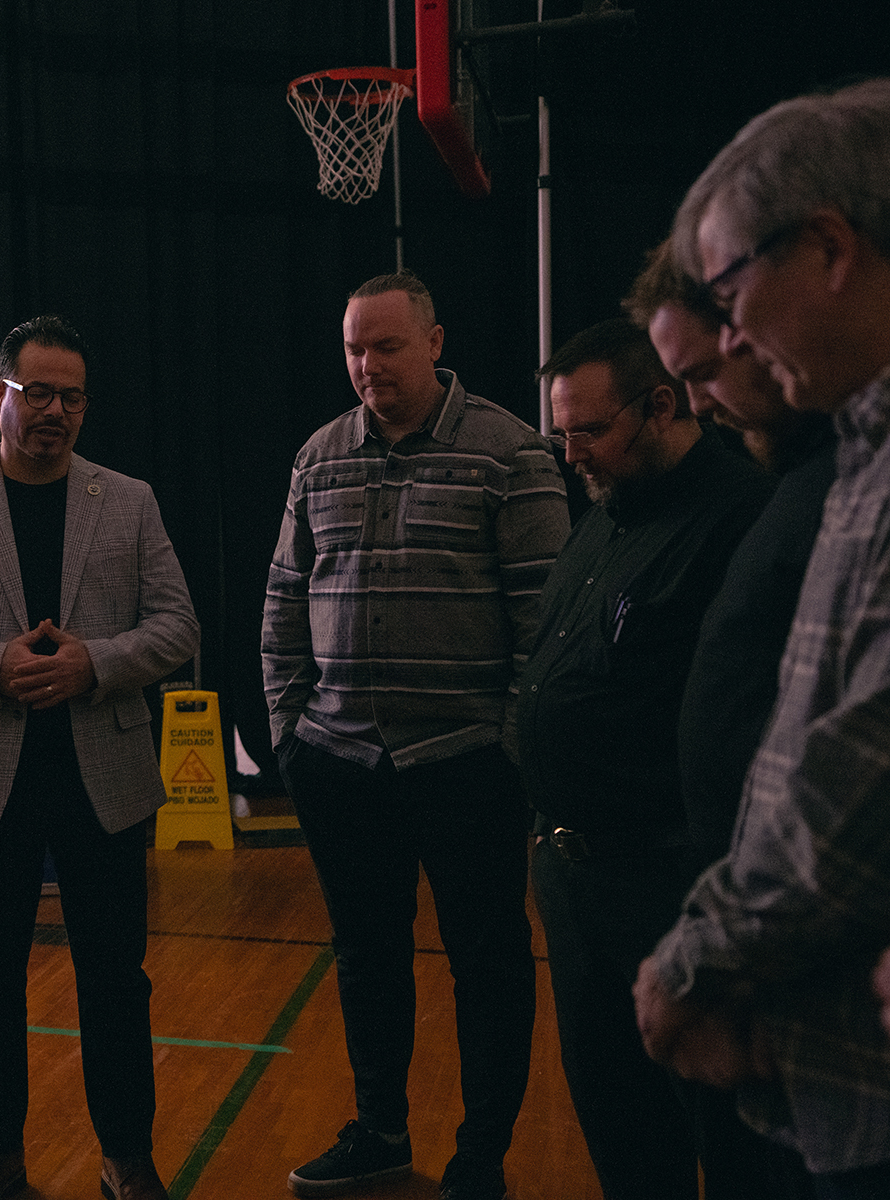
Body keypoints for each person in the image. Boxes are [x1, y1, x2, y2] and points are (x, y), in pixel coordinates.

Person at [0, 314, 198, 1200]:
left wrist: (96, 663)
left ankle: (126, 1154)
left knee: (116, 980)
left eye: (72, 397)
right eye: (39, 392)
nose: (56, 411)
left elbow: (178, 625)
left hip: (104, 775)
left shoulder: (128, 501)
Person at [261, 273, 569, 1200]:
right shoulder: (319, 456)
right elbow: (284, 600)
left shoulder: (508, 452)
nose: (367, 365)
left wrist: (508, 749)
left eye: (386, 346)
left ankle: (482, 1157)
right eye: (354, 348)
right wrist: (289, 731)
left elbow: (545, 623)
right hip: (339, 761)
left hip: (466, 763)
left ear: (434, 343)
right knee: (367, 960)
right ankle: (380, 1132)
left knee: (488, 964)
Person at [635, 78, 890, 1197]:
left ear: (829, 246)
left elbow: (865, 769)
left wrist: (696, 961)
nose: (731, 336)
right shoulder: (857, 448)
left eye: (733, 293)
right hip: (831, 1065)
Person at [516, 318, 774, 1200]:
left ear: (662, 405)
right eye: (561, 434)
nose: (571, 454)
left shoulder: (740, 517)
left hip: (668, 885)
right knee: (620, 1128)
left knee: (726, 1142)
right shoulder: (603, 516)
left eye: (589, 431)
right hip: (576, 884)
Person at [622, 246, 828, 1200]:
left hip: (803, 953)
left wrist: (714, 953)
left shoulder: (836, 486)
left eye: (708, 369)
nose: (702, 404)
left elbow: (844, 765)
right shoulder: (806, 480)